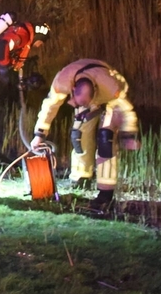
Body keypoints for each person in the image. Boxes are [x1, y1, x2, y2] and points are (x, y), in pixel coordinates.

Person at [31, 59, 141, 211]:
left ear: (94, 91)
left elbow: (125, 109)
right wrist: (40, 133)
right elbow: (50, 106)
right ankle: (82, 176)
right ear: (73, 89)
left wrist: (128, 134)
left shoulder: (111, 87)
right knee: (79, 135)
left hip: (112, 99)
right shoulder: (62, 81)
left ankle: (105, 193)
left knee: (105, 139)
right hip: (88, 95)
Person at [0, 21, 49, 179]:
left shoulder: (23, 40)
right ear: (40, 34)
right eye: (42, 42)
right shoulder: (22, 34)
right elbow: (3, 46)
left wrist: (16, 78)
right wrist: (3, 69)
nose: (40, 46)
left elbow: (12, 65)